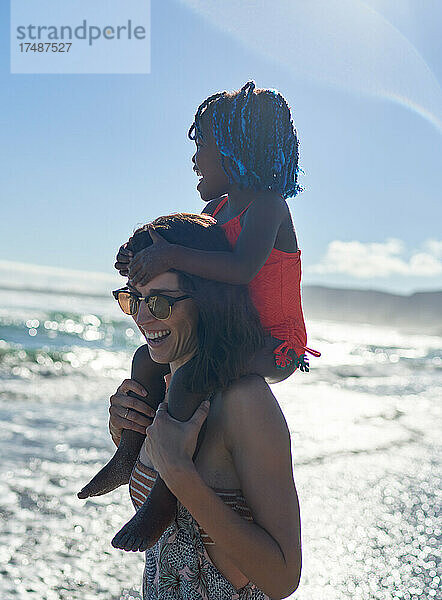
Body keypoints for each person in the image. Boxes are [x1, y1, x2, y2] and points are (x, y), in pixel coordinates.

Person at [78, 80, 320, 551]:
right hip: (234, 333)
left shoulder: (269, 206)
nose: (194, 159)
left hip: (274, 344)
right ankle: (129, 451)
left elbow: (239, 267)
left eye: (202, 146)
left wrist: (172, 256)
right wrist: (142, 254)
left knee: (190, 380)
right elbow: (185, 243)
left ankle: (165, 498)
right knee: (145, 361)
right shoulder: (217, 208)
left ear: (235, 150)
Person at [107, 214, 302, 599]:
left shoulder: (244, 402)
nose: (144, 317)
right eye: (134, 298)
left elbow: (283, 579)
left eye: (160, 302)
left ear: (207, 301)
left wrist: (180, 475)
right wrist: (127, 440)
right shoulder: (163, 386)